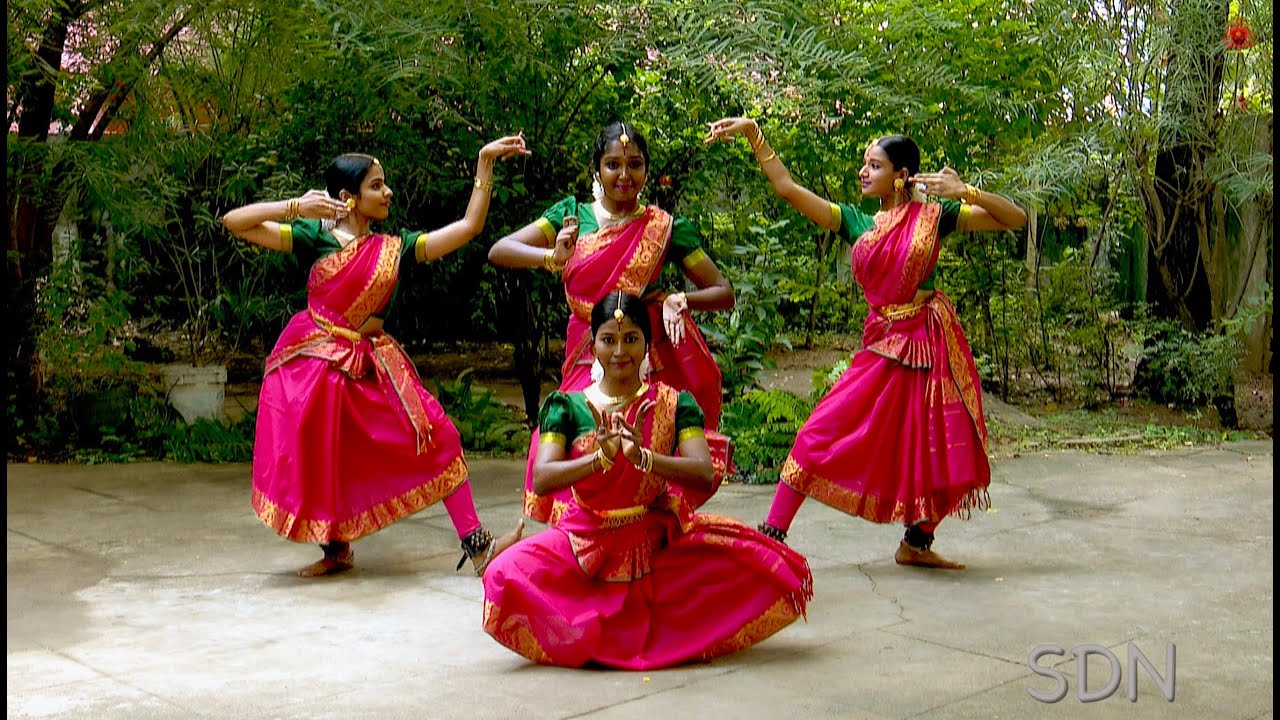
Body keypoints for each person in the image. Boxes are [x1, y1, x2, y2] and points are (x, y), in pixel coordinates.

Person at [705, 117, 1028, 569]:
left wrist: (966, 192)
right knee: (819, 431)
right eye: (864, 164)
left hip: (931, 345)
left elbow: (1016, 218)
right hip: (883, 345)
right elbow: (787, 189)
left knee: (940, 445)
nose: (864, 172)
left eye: (874, 165)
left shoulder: (936, 218)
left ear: (901, 176)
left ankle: (916, 544)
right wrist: (754, 133)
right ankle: (773, 536)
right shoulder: (855, 221)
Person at [221, 136, 531, 577]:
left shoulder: (395, 247)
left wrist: (484, 165)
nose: (387, 193)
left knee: (438, 436)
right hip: (316, 362)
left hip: (374, 363)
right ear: (348, 198)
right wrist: (295, 206)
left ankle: (478, 546)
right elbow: (235, 222)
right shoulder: (315, 237)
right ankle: (336, 550)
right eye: (376, 186)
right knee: (327, 453)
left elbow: (467, 229)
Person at [481, 292, 812, 669]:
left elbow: (702, 471)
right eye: (609, 339)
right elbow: (542, 479)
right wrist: (598, 459)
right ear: (593, 345)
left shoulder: (673, 403)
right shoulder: (567, 407)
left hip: (650, 538)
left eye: (631, 339)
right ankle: (592, 637)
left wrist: (645, 459)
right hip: (582, 538)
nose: (620, 350)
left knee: (763, 568)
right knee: (502, 576)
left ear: (648, 344)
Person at [488, 121, 735, 525]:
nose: (624, 175)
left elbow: (722, 291)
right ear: (597, 169)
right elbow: (502, 250)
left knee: (640, 434)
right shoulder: (571, 216)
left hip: (639, 352)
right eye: (613, 164)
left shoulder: (665, 228)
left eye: (634, 164)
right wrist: (552, 257)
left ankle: (640, 525)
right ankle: (580, 529)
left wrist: (680, 298)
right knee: (570, 434)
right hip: (585, 346)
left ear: (646, 170)